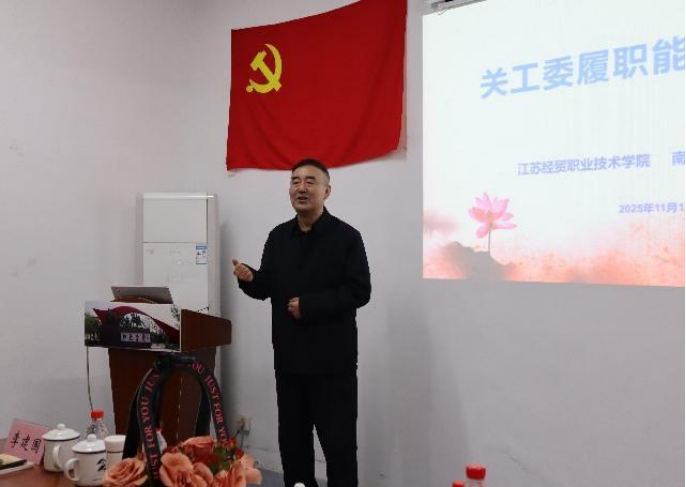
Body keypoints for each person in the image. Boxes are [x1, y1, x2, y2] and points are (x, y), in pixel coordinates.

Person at [232, 158, 371, 487]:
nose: (301, 188)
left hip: (332, 365)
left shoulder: (347, 237)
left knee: (338, 448)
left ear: (327, 191)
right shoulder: (278, 237)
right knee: (293, 447)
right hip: (289, 361)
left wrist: (309, 306)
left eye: (310, 181)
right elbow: (268, 286)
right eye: (295, 181)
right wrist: (250, 279)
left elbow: (359, 290)